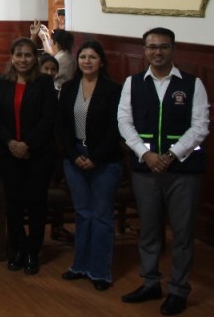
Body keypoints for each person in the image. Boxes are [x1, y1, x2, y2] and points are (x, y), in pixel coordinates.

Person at [118, 28, 208, 316]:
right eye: (152, 47)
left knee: (181, 234)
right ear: (144, 50)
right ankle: (150, 282)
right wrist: (145, 154)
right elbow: (124, 121)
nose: (157, 52)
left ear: (173, 49)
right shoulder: (132, 83)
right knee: (150, 230)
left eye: (163, 47)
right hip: (146, 170)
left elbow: (200, 126)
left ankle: (179, 289)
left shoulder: (193, 84)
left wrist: (170, 155)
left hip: (184, 172)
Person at [56, 41, 122, 291]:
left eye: (92, 57)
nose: (86, 61)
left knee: (102, 215)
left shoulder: (113, 90)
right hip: (75, 156)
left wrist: (95, 156)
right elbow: (61, 126)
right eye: (82, 57)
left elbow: (116, 128)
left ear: (101, 61)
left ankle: (100, 271)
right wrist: (74, 156)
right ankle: (79, 265)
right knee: (82, 213)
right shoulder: (70, 87)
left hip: (104, 159)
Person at [0, 37, 58, 275]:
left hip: (37, 153)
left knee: (37, 203)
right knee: (14, 204)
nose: (22, 59)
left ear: (35, 58)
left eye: (28, 55)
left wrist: (27, 144)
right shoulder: (1, 82)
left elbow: (49, 118)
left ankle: (33, 251)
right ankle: (17, 249)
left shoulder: (45, 82)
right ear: (11, 57)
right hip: (9, 152)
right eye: (18, 55)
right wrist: (11, 142)